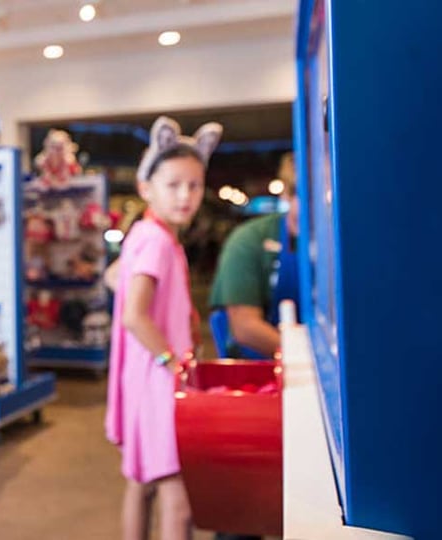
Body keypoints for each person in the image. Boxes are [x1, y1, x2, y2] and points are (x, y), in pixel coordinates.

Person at [106, 116, 222, 540]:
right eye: (173, 185)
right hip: (160, 384)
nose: (186, 195)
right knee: (178, 497)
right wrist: (173, 362)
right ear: (146, 188)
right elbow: (136, 314)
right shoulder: (157, 241)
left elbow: (113, 278)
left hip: (141, 379)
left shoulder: (144, 234)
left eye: (194, 185)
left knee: (141, 484)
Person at [209, 152, 299, 359]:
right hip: (262, 369)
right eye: (304, 193)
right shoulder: (249, 240)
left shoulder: (337, 243)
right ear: (285, 193)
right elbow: (244, 326)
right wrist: (302, 357)